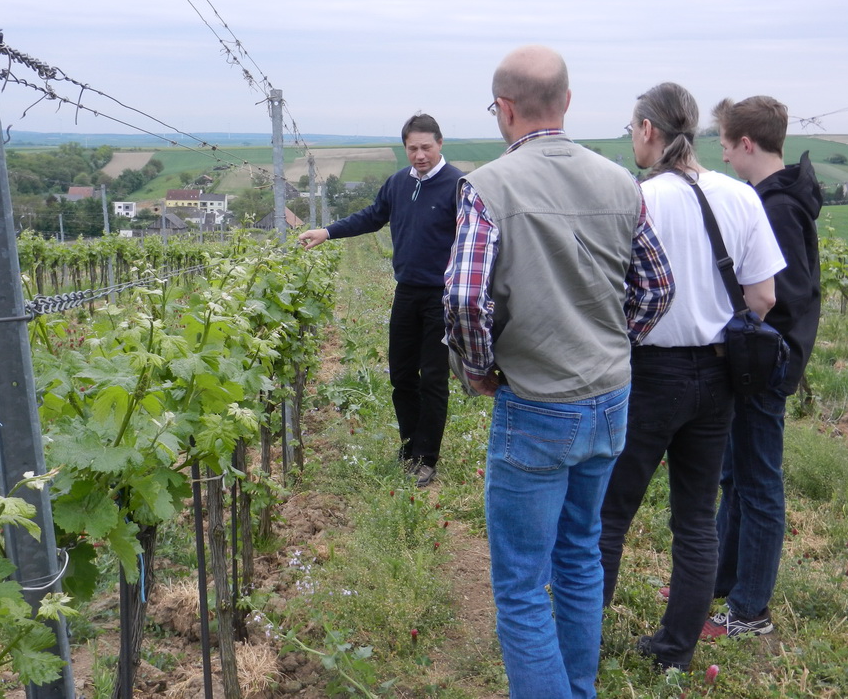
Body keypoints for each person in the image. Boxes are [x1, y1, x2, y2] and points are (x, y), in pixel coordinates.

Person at [445, 44, 674, 699]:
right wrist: (610, 342)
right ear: (567, 102)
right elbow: (657, 288)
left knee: (520, 584)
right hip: (609, 400)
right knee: (579, 557)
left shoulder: (488, 187)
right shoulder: (619, 182)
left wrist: (479, 368)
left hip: (536, 404)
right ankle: (579, 689)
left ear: (505, 109)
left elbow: (463, 298)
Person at [598, 83, 785, 672]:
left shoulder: (636, 200)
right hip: (720, 374)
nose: (632, 138)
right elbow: (763, 296)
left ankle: (580, 641)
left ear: (649, 130)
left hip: (650, 371)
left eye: (633, 128)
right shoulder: (740, 196)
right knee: (696, 519)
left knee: (609, 516)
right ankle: (675, 652)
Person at [703, 96, 823, 638]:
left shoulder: (775, 208)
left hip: (762, 364)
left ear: (746, 143)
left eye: (727, 146)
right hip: (755, 361)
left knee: (758, 484)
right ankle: (723, 584)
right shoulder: (773, 199)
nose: (724, 157)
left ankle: (751, 611)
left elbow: (787, 296)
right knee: (736, 476)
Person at [298, 114, 464, 487]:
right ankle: (408, 449)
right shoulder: (398, 183)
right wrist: (328, 231)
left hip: (442, 297)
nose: (419, 155)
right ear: (405, 147)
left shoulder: (459, 185)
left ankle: (427, 458)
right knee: (402, 376)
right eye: (412, 148)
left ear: (440, 144)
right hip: (406, 292)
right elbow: (373, 217)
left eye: (426, 147)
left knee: (433, 379)